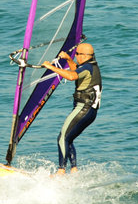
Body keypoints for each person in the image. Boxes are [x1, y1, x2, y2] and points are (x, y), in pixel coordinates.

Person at [42, 42, 102, 175]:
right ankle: (74, 170)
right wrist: (69, 59)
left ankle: (61, 171)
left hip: (83, 109)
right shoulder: (91, 66)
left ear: (84, 55)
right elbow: (76, 71)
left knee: (62, 138)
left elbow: (71, 76)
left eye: (77, 54)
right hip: (91, 113)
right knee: (69, 138)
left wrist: (50, 67)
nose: (75, 56)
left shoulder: (86, 67)